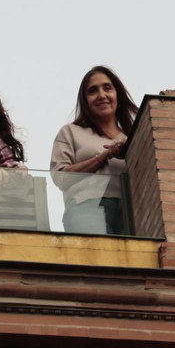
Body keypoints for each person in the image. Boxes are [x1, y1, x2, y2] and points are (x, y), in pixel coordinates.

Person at [51, 66, 136, 235]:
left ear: (117, 95)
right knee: (98, 259)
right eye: (93, 91)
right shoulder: (71, 132)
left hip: (132, 211)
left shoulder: (133, 137)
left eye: (107, 88)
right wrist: (103, 157)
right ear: (85, 101)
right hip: (86, 207)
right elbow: (60, 177)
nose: (102, 95)